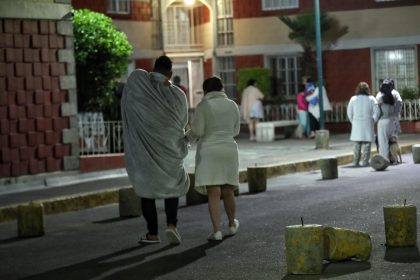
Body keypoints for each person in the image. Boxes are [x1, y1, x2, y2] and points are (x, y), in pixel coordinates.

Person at [121, 56, 189, 245]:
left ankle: (152, 234)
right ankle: (172, 226)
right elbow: (182, 122)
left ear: (153, 69)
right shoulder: (178, 95)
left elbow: (129, 104)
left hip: (144, 150)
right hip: (170, 149)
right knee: (172, 188)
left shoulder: (139, 88)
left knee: (146, 191)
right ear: (170, 73)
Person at [186, 76, 240, 241]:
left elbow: (198, 131)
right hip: (229, 150)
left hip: (209, 150)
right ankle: (232, 225)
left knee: (213, 192)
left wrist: (186, 137)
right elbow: (236, 130)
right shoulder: (232, 105)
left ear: (206, 91)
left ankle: (216, 231)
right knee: (228, 190)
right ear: (222, 88)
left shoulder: (204, 105)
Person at [346, 82, 380, 167]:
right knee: (367, 144)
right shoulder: (371, 99)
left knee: (357, 144)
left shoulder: (353, 99)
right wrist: (373, 120)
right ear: (367, 89)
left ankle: (355, 161)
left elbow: (349, 113)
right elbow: (377, 112)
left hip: (356, 123)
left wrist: (353, 122)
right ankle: (365, 161)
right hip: (368, 123)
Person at [376, 79, 397, 161]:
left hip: (383, 121)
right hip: (391, 121)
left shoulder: (380, 98)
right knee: (390, 141)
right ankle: (392, 158)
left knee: (383, 142)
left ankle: (384, 159)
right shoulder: (392, 97)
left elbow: (377, 112)